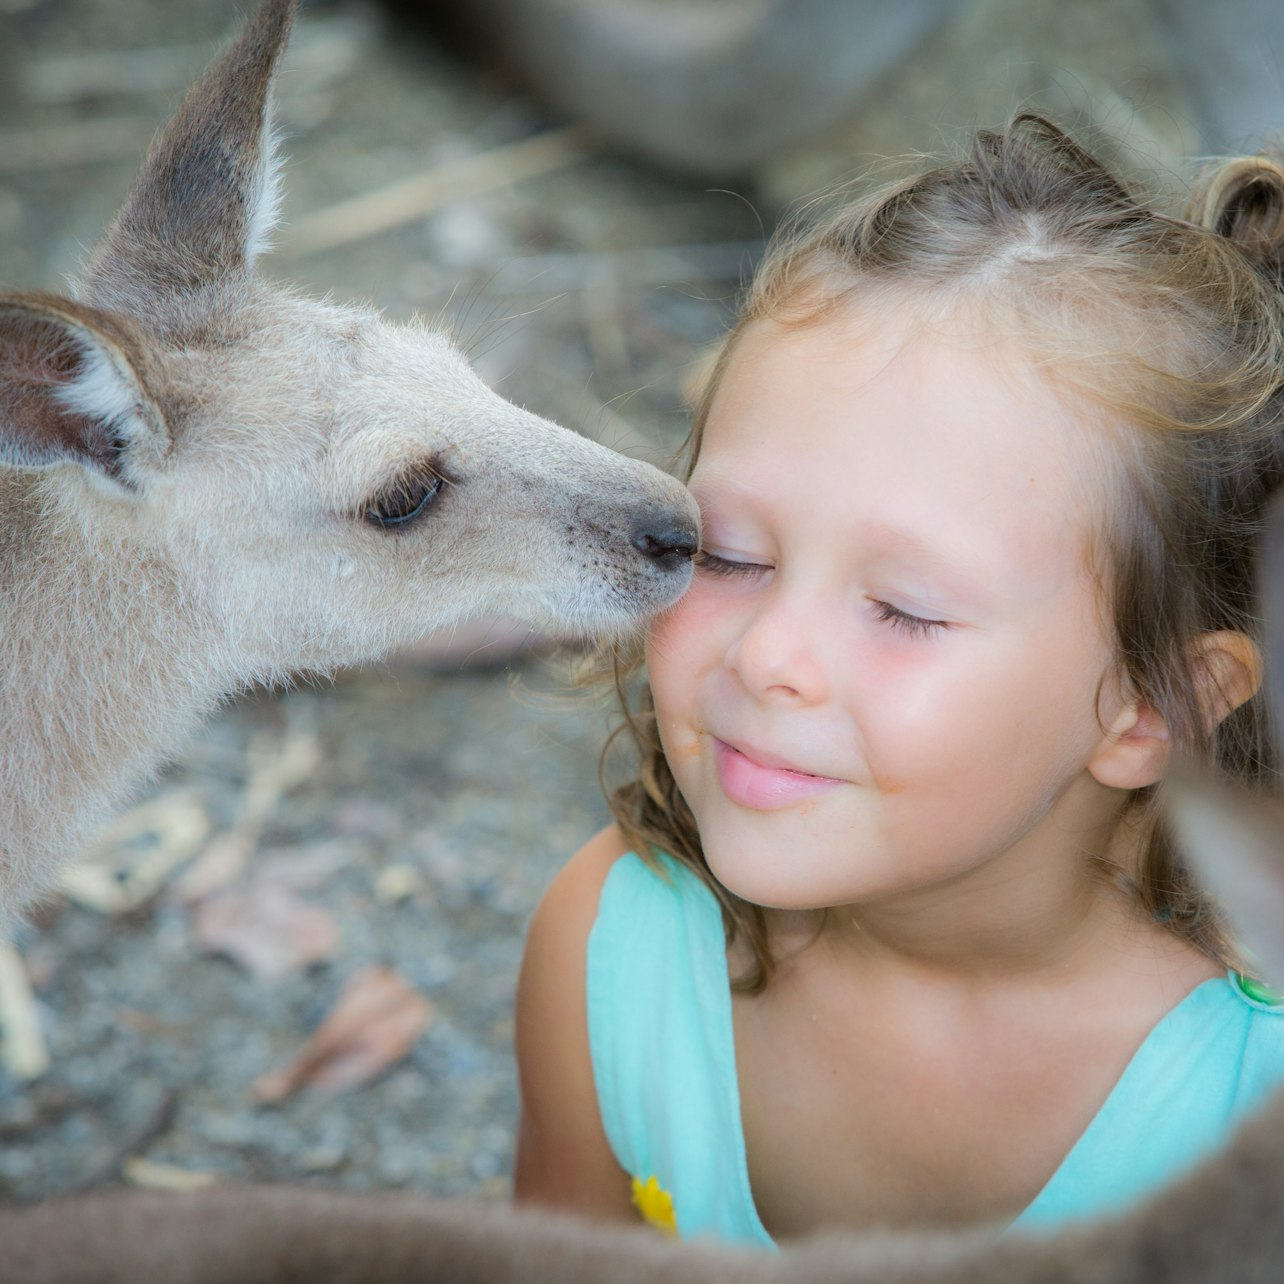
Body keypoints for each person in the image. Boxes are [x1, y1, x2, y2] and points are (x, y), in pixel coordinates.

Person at [511, 114, 1284, 1248]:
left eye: (905, 610)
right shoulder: (613, 955)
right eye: (727, 553)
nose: (768, 654)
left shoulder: (1251, 1103)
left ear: (1153, 705)